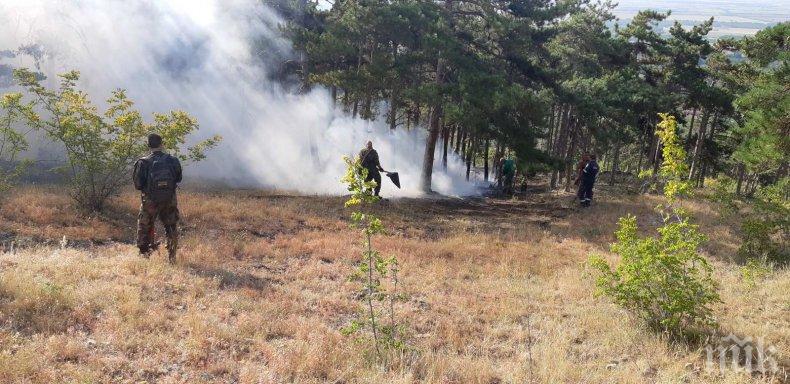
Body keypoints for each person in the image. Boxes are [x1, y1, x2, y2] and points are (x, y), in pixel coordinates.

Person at [133, 133, 182, 263]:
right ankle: (172, 256)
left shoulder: (143, 162)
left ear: (148, 145)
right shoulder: (173, 160)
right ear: (162, 144)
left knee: (144, 226)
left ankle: (144, 255)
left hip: (150, 200)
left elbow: (138, 185)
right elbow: (178, 178)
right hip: (169, 199)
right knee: (171, 226)